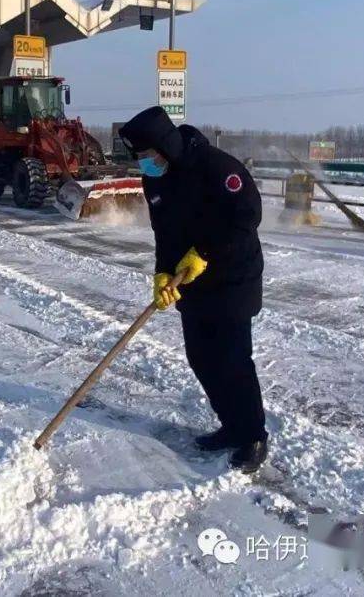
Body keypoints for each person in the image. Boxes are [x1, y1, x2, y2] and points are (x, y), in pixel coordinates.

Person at [118, 107, 268, 473]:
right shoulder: (155, 179)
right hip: (191, 282)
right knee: (201, 358)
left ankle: (252, 436)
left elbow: (247, 216)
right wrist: (161, 273)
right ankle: (231, 426)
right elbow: (164, 234)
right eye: (139, 158)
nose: (144, 165)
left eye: (147, 156)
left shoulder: (216, 167)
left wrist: (204, 253)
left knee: (232, 361)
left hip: (233, 278)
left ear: (164, 147)